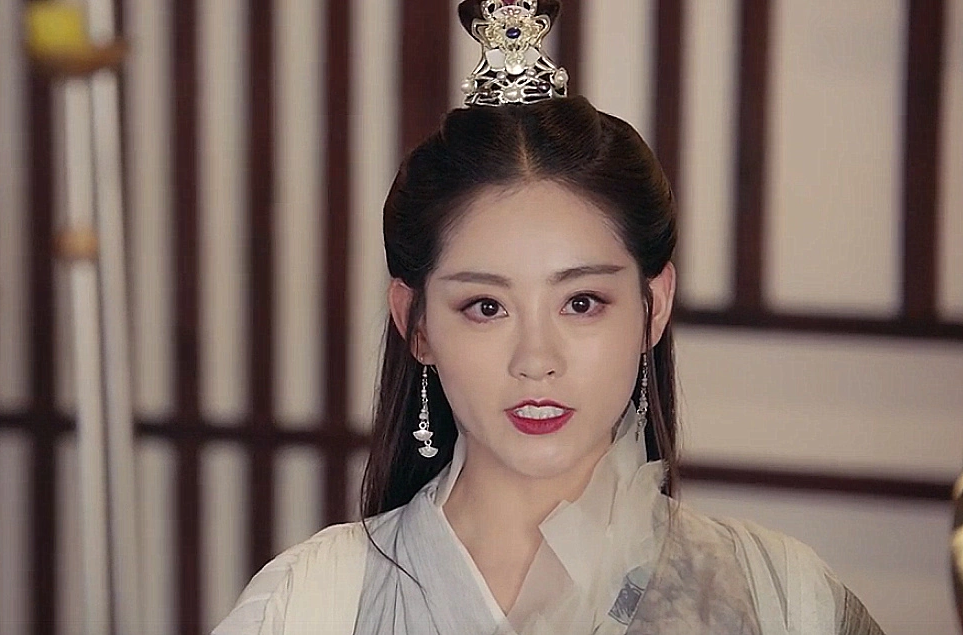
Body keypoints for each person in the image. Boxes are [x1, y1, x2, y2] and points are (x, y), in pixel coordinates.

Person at [214, 1, 883, 633]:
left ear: (654, 305)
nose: (536, 359)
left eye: (581, 302)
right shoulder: (310, 602)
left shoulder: (782, 595)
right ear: (415, 323)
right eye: (486, 306)